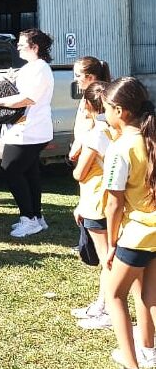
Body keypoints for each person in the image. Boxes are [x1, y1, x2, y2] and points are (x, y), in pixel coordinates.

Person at [100, 77, 156, 369]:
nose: (104, 114)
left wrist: (111, 244)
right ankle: (147, 350)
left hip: (137, 235)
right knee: (151, 296)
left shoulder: (120, 148)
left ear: (120, 111)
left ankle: (130, 364)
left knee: (114, 295)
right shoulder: (151, 138)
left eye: (106, 108)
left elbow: (114, 203)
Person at [0, 29, 55, 238]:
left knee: (10, 169)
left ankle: (28, 219)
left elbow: (27, 98)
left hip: (29, 131)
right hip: (27, 129)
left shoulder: (40, 68)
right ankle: (36, 216)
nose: (18, 47)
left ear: (34, 47)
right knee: (29, 172)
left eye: (21, 44)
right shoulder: (31, 67)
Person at [70, 81, 113, 330]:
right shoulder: (114, 128)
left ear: (87, 104)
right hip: (104, 199)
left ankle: (108, 310)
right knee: (108, 257)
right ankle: (100, 305)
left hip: (96, 200)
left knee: (107, 259)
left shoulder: (96, 132)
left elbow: (79, 172)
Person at [69, 56, 112, 163]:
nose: (74, 79)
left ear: (90, 77)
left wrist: (77, 146)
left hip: (94, 156)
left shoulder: (98, 97)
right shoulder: (90, 95)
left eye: (78, 75)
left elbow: (90, 126)